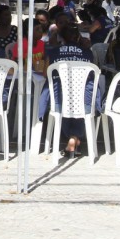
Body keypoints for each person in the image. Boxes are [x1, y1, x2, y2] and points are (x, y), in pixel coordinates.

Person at [39, 22, 96, 158]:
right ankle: (75, 138)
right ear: (78, 37)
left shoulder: (53, 52)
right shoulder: (87, 53)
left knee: (63, 105)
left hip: (60, 97)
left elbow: (45, 73)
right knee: (80, 105)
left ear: (61, 38)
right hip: (83, 98)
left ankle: (70, 138)